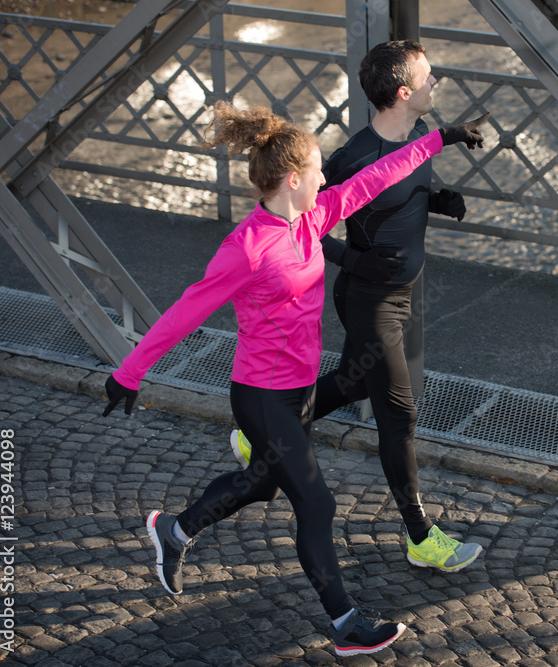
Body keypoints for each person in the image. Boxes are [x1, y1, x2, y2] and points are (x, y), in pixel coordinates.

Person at [101, 100, 488, 657]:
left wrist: (442, 138)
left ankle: (174, 531)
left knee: (259, 484)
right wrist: (129, 373)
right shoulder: (246, 249)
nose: (325, 178)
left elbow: (379, 175)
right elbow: (185, 311)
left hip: (300, 392)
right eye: (316, 171)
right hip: (261, 397)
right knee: (316, 503)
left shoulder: (314, 217)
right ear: (291, 179)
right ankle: (346, 623)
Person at [231, 40, 485, 573]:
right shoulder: (353, 158)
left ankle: (256, 438)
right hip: (369, 300)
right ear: (403, 92)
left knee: (349, 381)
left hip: (399, 293)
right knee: (401, 416)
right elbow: (300, 228)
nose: (436, 82)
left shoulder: (418, 136)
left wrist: (438, 201)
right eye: (429, 77)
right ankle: (420, 537)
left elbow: (405, 191)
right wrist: (354, 260)